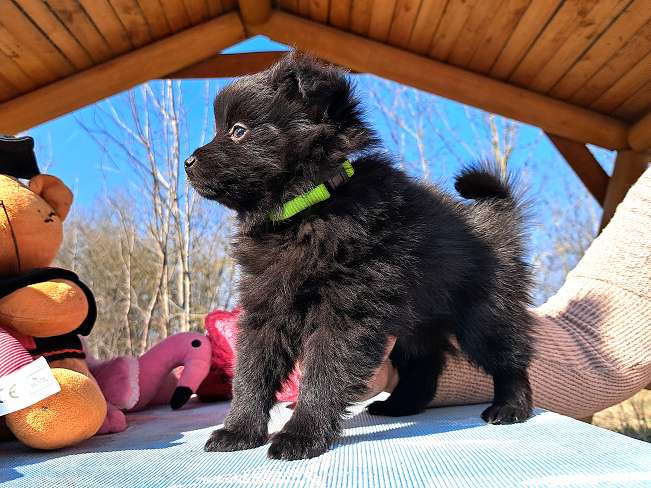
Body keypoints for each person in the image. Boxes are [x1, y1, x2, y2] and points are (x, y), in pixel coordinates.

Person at [365, 167, 651, 420]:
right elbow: (592, 339)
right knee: (418, 326)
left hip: (478, 264)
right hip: (446, 269)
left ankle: (512, 390)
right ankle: (415, 389)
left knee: (485, 321)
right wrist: (391, 376)